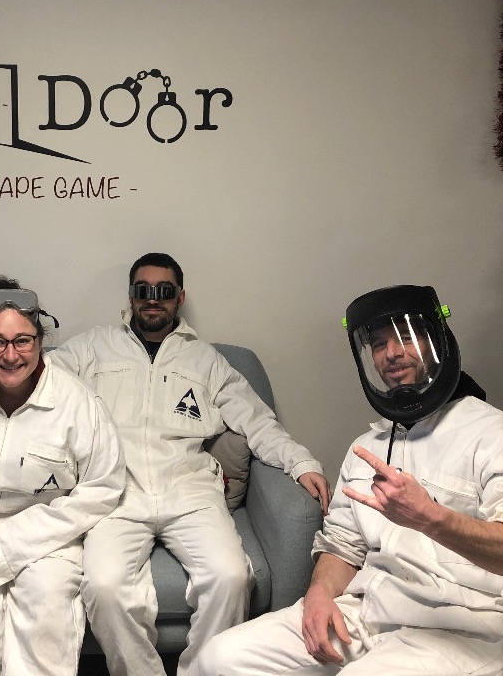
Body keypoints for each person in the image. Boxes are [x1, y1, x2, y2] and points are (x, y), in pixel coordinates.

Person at [197, 283, 503, 676]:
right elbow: (342, 547)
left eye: (405, 337)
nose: (392, 353)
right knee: (221, 658)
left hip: (464, 624)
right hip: (369, 610)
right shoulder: (368, 446)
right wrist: (319, 594)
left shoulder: (490, 433)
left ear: (437, 340)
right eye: (378, 344)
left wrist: (431, 518)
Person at [49, 252, 331, 676]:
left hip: (190, 490)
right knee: (104, 587)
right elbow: (35, 378)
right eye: (143, 289)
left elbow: (257, 421)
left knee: (231, 577)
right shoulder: (92, 347)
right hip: (115, 492)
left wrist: (301, 462)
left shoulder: (207, 361)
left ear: (179, 297)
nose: (153, 298)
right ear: (131, 296)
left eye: (164, 290)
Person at [0, 277, 125, 676]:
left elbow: (104, 486)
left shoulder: (77, 402)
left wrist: (17, 540)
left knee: (45, 608)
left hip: (48, 532)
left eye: (22, 341)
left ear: (40, 341)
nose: (10, 355)